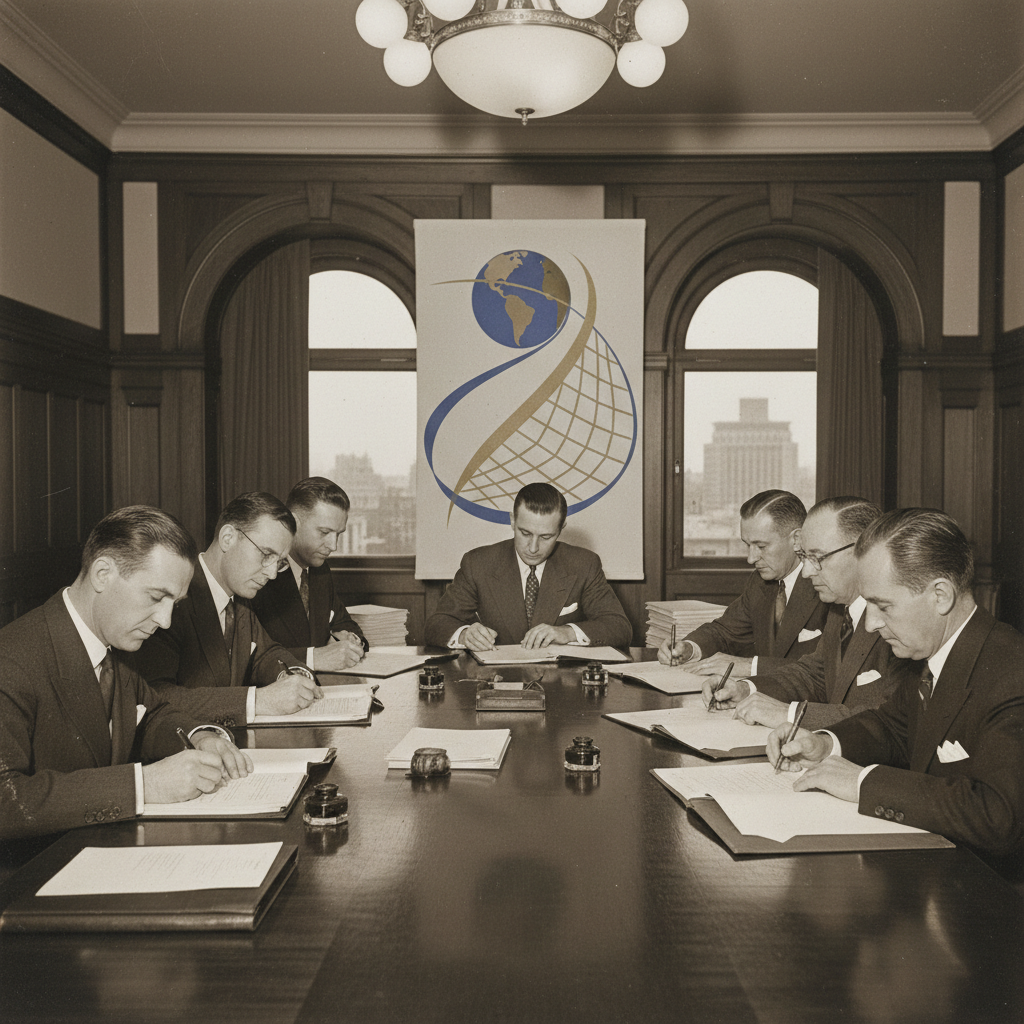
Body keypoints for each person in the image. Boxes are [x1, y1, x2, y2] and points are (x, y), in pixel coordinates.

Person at [769, 508, 1024, 861]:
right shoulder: (932, 654)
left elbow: (998, 815)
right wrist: (824, 744)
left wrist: (863, 783)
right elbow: (891, 726)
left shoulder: (1012, 673)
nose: (871, 624)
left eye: (882, 606)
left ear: (940, 596)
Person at [0, 506, 252, 841]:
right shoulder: (12, 659)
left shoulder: (117, 646)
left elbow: (152, 714)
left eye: (173, 604)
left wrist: (199, 736)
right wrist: (143, 786)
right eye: (155, 597)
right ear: (103, 573)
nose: (164, 621)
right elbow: (6, 800)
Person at [704, 496, 920, 730]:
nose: (806, 572)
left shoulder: (901, 620)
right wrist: (747, 688)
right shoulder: (841, 609)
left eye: (817, 558)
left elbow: (889, 721)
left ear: (863, 551)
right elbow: (814, 673)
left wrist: (790, 714)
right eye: (805, 557)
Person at [133, 492, 318, 727]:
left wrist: (291, 676)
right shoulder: (173, 599)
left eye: (279, 562)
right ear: (228, 537)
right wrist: (256, 700)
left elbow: (265, 653)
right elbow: (155, 694)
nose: (272, 574)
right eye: (266, 555)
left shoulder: (239, 594)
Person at [423, 482, 631, 651]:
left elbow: (620, 627)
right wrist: (465, 634)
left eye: (546, 537)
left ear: (561, 529)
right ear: (512, 521)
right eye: (525, 533)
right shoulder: (477, 563)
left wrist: (566, 632)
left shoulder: (584, 564)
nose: (533, 547)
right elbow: (436, 624)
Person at [657, 490, 827, 677]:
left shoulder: (827, 586)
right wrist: (689, 648)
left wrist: (750, 666)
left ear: (797, 540)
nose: (751, 558)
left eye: (761, 546)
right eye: (747, 545)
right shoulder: (760, 582)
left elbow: (825, 670)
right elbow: (724, 631)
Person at [251, 477, 367, 671]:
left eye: (338, 534)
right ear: (293, 522)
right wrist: (314, 657)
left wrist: (347, 638)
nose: (334, 546)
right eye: (324, 532)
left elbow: (344, 623)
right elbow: (250, 655)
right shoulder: (258, 573)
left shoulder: (320, 571)